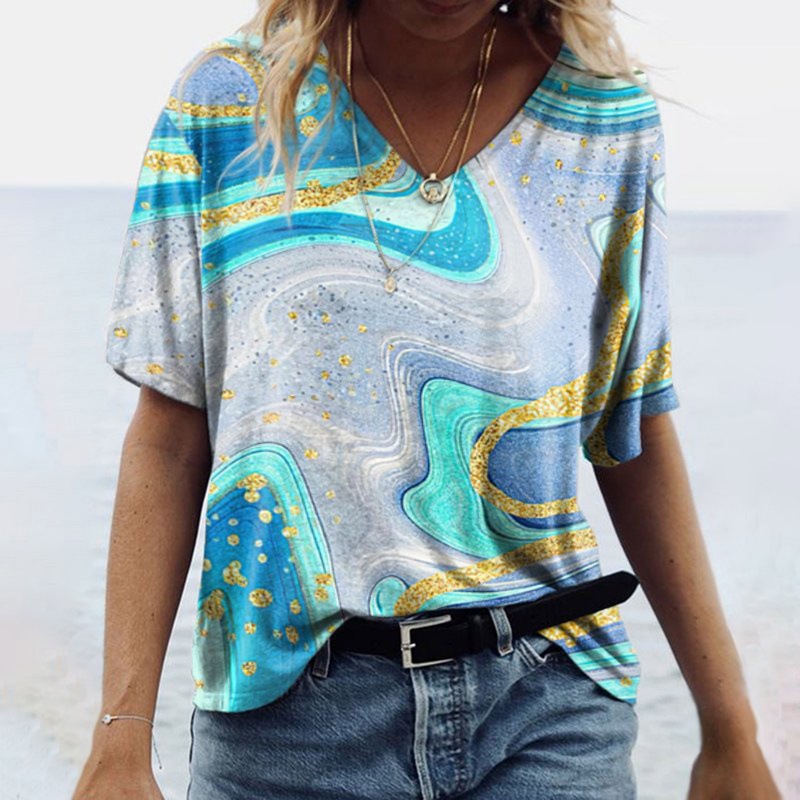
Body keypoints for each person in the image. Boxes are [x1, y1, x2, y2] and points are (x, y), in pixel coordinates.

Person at [74, 1, 782, 798]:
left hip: (549, 712)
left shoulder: (605, 118)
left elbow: (633, 430)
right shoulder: (228, 101)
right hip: (287, 726)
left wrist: (731, 728)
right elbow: (171, 436)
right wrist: (120, 734)